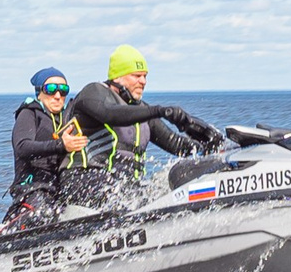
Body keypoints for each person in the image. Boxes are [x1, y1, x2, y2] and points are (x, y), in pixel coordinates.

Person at [65, 45, 220, 205]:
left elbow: (176, 144)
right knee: (124, 196)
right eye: (137, 76)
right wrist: (161, 111)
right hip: (83, 182)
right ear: (118, 77)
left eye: (145, 76)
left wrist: (210, 148)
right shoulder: (93, 93)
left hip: (124, 190)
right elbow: (109, 114)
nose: (143, 82)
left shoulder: (141, 111)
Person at [3, 67, 83, 230]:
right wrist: (61, 145)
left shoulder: (67, 118)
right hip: (33, 189)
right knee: (42, 214)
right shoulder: (29, 114)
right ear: (39, 92)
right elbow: (22, 146)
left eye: (63, 90)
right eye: (51, 89)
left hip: (60, 190)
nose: (58, 95)